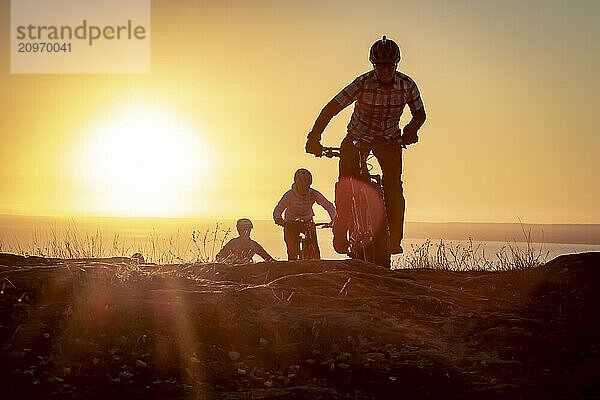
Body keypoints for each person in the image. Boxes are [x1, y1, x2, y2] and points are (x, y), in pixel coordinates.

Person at [305, 35, 426, 255]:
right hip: (357, 137)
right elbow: (332, 108)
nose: (385, 71)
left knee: (393, 187)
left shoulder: (407, 85)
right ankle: (340, 231)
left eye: (389, 66)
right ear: (373, 66)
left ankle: (394, 238)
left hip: (389, 139)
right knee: (345, 185)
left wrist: (411, 131)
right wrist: (314, 138)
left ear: (396, 65)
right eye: (380, 66)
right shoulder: (362, 83)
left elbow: (420, 114)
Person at [273, 168, 336, 260]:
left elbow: (329, 206)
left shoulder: (313, 193)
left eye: (307, 186)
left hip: (307, 221)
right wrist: (279, 219)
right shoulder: (289, 195)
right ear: (296, 183)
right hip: (291, 223)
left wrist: (334, 219)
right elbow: (278, 210)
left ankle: (315, 260)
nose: (304, 188)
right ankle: (293, 262)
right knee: (292, 251)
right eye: (302, 185)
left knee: (315, 247)